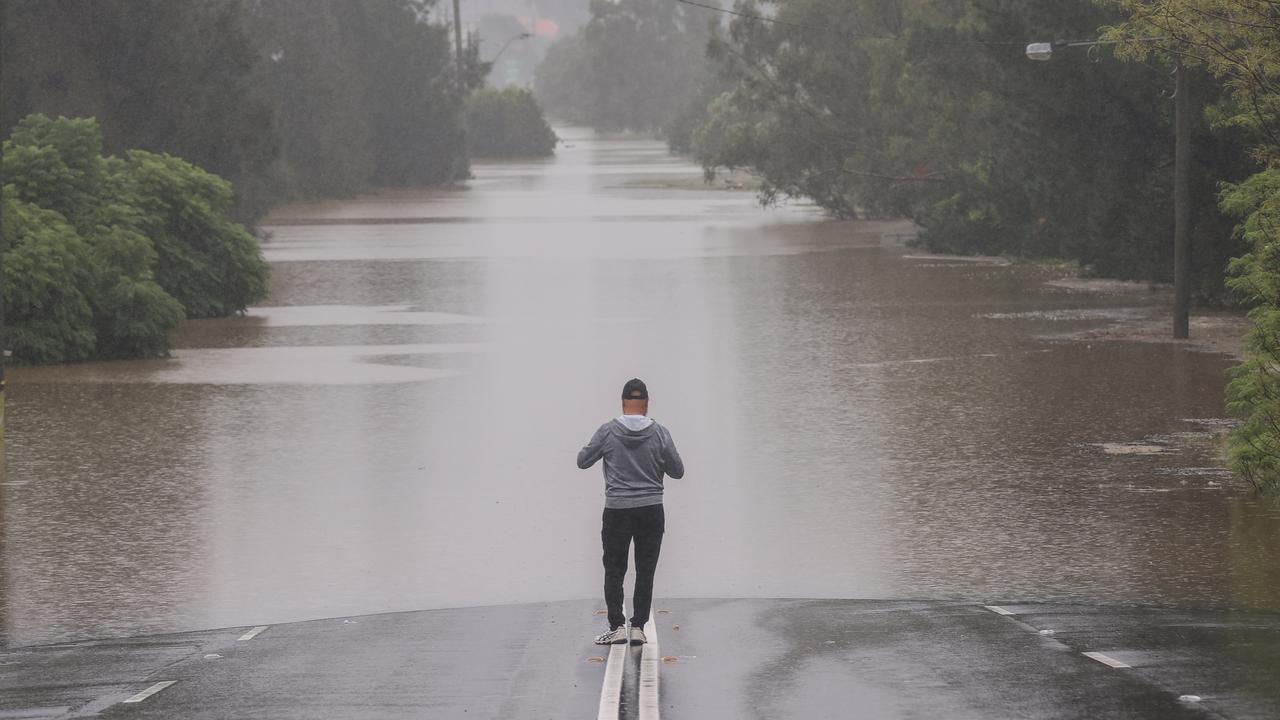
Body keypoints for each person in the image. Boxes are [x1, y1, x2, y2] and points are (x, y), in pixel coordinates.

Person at [577, 378, 684, 646]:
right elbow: (677, 471)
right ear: (647, 404)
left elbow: (582, 462)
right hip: (651, 509)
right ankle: (638, 626)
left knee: (614, 569)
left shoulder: (607, 432)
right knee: (646, 570)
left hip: (617, 510)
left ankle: (617, 626)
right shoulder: (660, 433)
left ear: (623, 403)